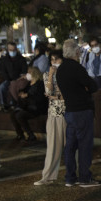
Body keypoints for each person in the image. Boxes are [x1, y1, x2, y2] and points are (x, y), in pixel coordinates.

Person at [57, 39, 101, 187]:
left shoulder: (61, 69)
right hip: (82, 110)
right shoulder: (77, 68)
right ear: (76, 52)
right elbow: (92, 86)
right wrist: (86, 88)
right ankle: (84, 177)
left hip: (69, 111)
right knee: (84, 145)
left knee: (70, 146)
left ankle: (70, 177)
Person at [35, 50, 66, 185]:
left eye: (57, 60)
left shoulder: (66, 74)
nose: (55, 63)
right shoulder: (47, 74)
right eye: (52, 60)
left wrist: (57, 95)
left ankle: (75, 174)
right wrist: (50, 76)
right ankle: (47, 176)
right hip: (53, 113)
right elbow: (48, 92)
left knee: (71, 146)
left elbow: (63, 94)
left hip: (66, 113)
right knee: (52, 147)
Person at [10, 67, 47, 142]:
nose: (27, 74)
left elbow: (39, 98)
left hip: (36, 108)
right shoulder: (29, 84)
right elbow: (24, 91)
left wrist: (27, 95)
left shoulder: (40, 84)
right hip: (27, 107)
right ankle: (20, 134)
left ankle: (31, 135)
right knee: (13, 114)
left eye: (29, 73)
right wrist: (22, 93)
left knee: (19, 115)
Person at [0, 42, 28, 109]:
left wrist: (19, 78)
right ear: (8, 50)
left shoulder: (21, 59)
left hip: (19, 79)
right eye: (10, 50)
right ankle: (5, 105)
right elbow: (3, 71)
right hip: (8, 79)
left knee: (18, 87)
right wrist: (8, 80)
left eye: (13, 50)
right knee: (1, 88)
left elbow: (24, 70)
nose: (12, 51)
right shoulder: (4, 60)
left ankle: (18, 104)